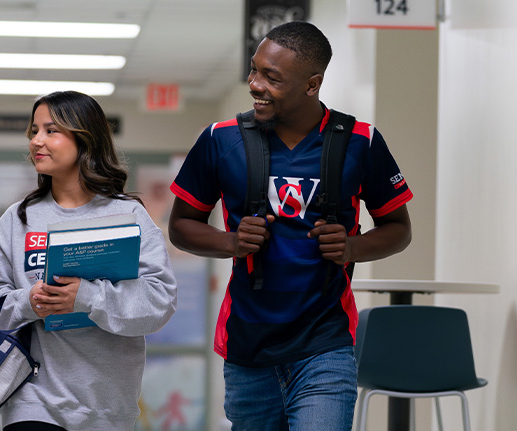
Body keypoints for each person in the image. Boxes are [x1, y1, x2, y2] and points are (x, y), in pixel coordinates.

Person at [168, 21, 412, 431]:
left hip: (325, 343)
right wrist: (231, 241)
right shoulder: (220, 139)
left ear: (312, 85)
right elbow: (181, 225)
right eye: (254, 70)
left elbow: (398, 228)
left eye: (271, 77)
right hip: (248, 346)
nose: (254, 84)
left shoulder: (360, 141)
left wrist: (353, 248)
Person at [0, 90, 177, 431]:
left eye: (51, 131)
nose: (37, 141)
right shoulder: (18, 220)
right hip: (32, 400)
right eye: (33, 131)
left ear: (85, 138)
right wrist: (29, 300)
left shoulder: (129, 216)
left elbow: (159, 302)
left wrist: (86, 296)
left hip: (108, 407)